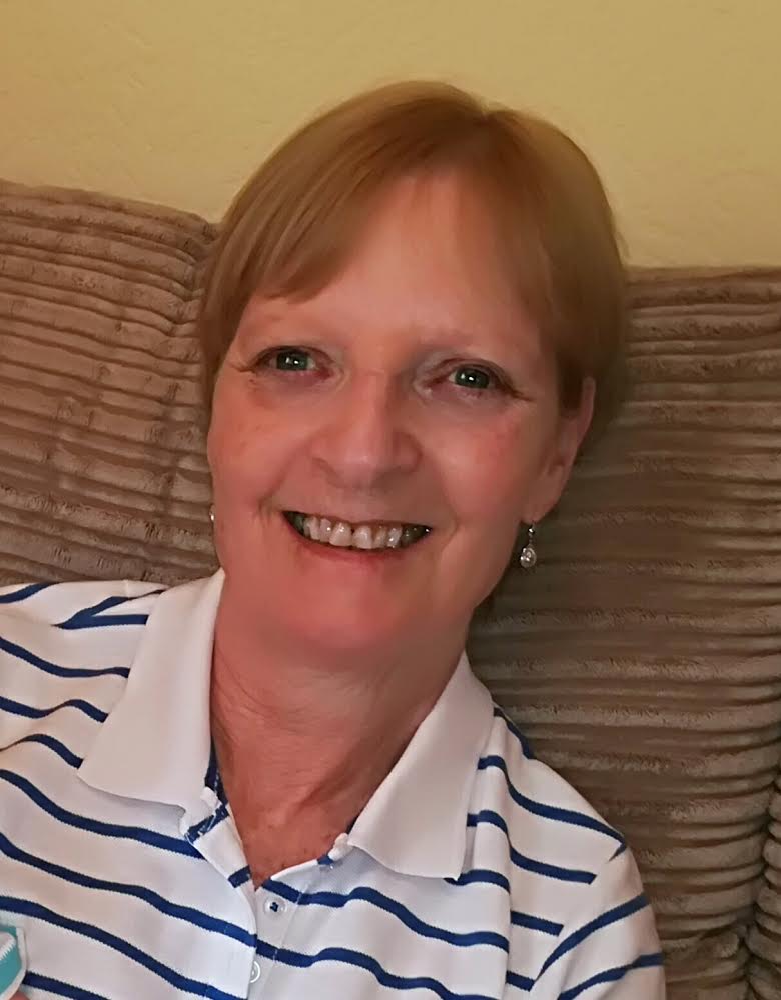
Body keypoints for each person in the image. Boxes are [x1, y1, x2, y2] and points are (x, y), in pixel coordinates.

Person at [0, 82, 664, 999]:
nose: (361, 454)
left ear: (557, 450)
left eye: (467, 378)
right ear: (215, 408)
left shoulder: (571, 926)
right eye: (295, 360)